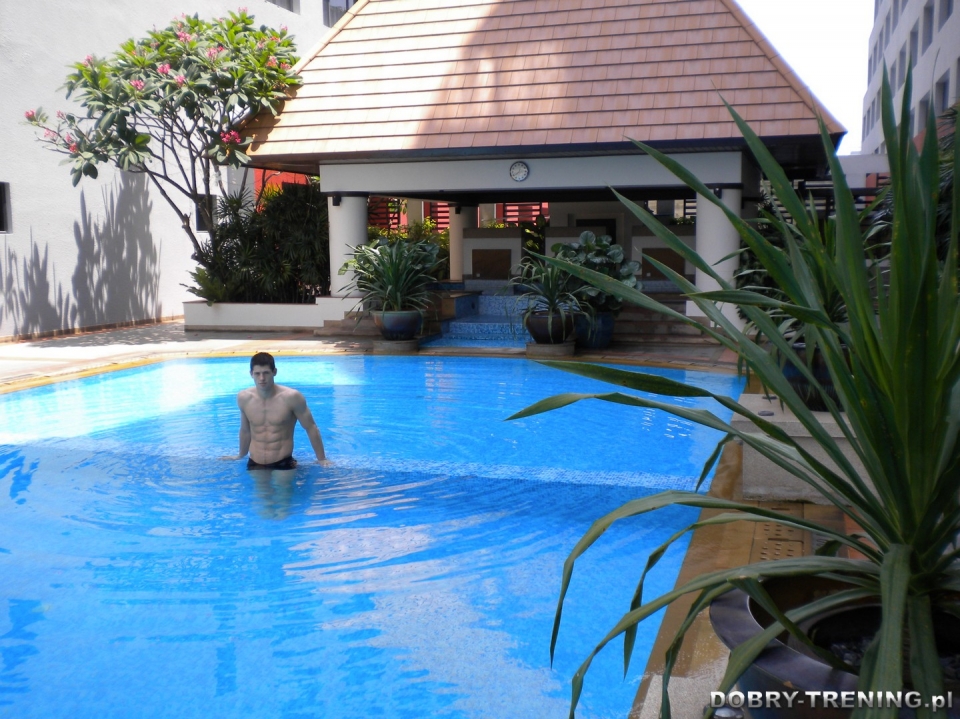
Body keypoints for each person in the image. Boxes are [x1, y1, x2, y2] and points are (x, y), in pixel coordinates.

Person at [222, 352, 327, 470]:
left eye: (266, 373)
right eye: (257, 374)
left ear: (274, 372)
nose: (262, 378)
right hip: (255, 462)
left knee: (283, 482)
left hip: (283, 462)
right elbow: (245, 431)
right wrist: (240, 455)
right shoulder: (244, 398)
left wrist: (321, 459)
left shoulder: (292, 397)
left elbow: (311, 427)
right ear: (251, 374)